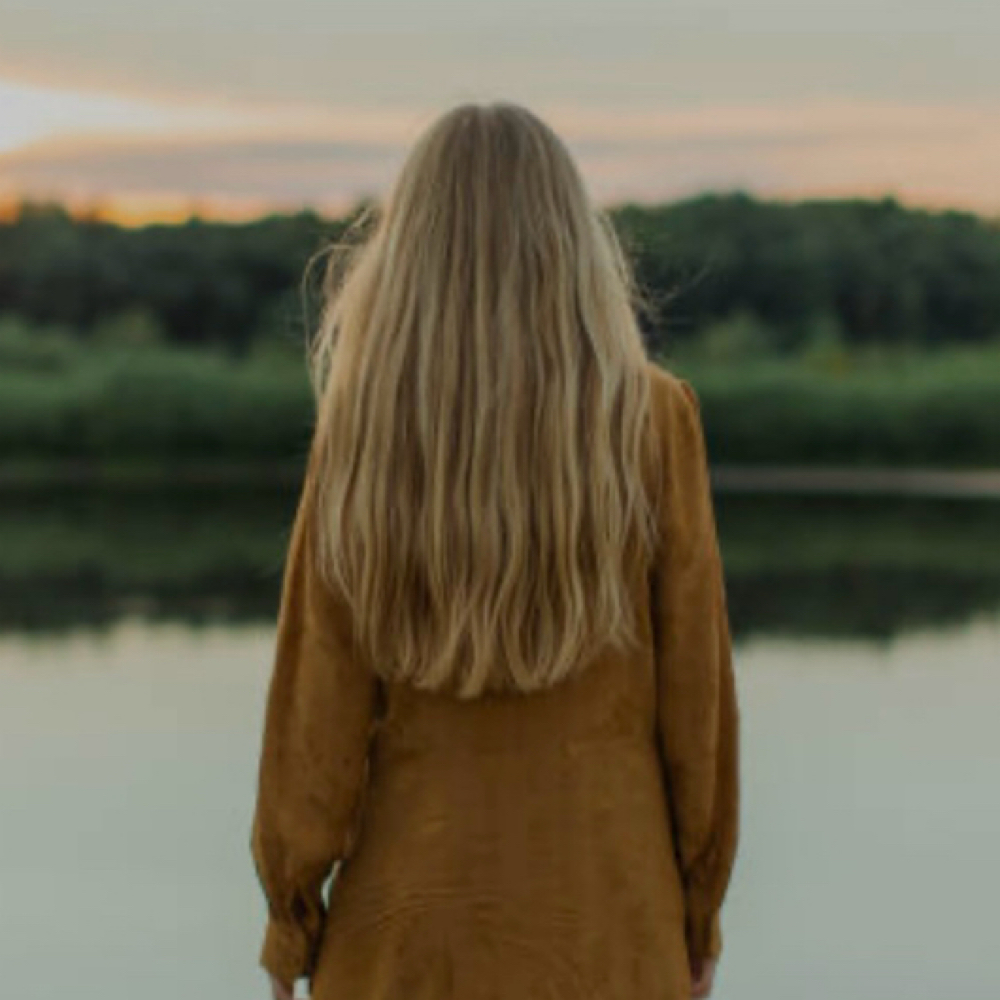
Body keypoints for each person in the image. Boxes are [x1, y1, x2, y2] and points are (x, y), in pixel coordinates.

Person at [249, 100, 741, 1000]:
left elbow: (314, 712)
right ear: (572, 242)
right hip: (610, 930)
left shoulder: (362, 428)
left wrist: (292, 922)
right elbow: (696, 715)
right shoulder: (652, 420)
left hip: (401, 941)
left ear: (409, 247)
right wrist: (699, 909)